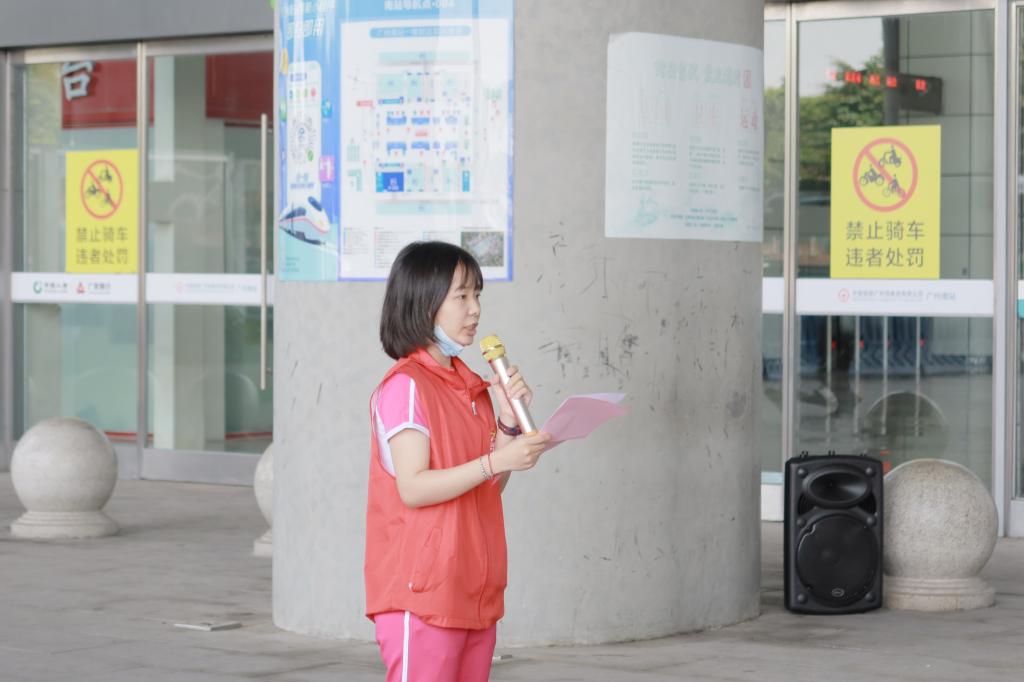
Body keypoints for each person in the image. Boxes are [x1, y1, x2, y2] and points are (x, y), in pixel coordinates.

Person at [365, 241, 551, 682]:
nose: (475, 310)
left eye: (477, 295)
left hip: (472, 588)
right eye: (461, 296)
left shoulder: (471, 389)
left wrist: (508, 424)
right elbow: (414, 487)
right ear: (424, 303)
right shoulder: (407, 387)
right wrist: (497, 461)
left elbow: (489, 487)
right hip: (422, 593)